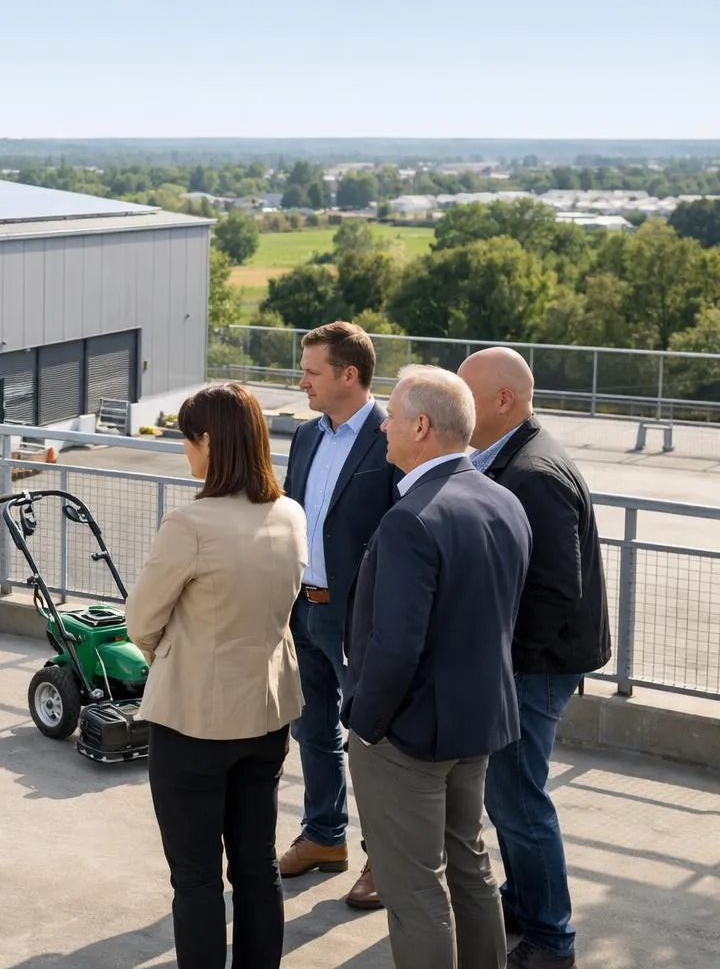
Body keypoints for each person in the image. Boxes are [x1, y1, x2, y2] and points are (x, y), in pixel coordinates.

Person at [343, 364, 532, 969]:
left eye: (392, 416)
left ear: (421, 426)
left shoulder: (411, 519)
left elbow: (396, 647)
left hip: (408, 735)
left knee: (415, 890)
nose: (383, 426)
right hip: (477, 723)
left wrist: (365, 723)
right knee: (471, 869)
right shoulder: (504, 501)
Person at [127, 382, 309, 969]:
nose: (186, 450)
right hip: (266, 714)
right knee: (257, 865)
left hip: (193, 725)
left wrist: (177, 654)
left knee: (198, 877)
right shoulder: (290, 514)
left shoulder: (191, 524)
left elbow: (140, 621)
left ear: (207, 441)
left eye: (187, 439)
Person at [458, 347, 610, 969]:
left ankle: (551, 940)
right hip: (532, 664)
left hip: (535, 669)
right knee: (509, 796)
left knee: (519, 800)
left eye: (469, 396)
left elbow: (553, 592)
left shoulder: (535, 473)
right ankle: (522, 901)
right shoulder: (511, 457)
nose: (458, 407)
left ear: (503, 401)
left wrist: (507, 664)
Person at [279, 321, 401, 911]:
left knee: (372, 741)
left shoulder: (393, 437)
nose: (301, 381)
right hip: (305, 607)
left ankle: (386, 857)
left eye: (311, 372)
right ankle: (325, 837)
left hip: (361, 618)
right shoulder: (305, 436)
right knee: (313, 729)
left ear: (348, 375)